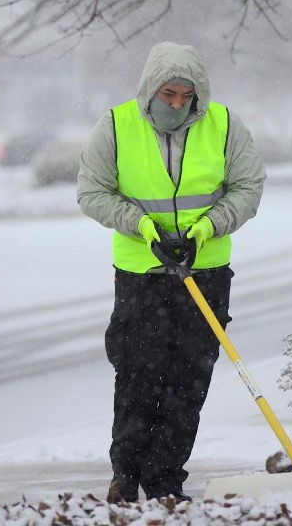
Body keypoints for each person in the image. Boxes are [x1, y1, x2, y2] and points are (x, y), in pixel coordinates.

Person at [77, 41, 266, 504]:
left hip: (205, 272)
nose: (177, 104)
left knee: (189, 380)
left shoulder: (224, 126)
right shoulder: (117, 126)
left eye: (186, 96)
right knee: (139, 374)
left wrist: (207, 227)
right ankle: (126, 475)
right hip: (143, 273)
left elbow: (248, 187)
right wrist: (142, 227)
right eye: (169, 95)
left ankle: (164, 479)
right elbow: (92, 192)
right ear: (151, 90)